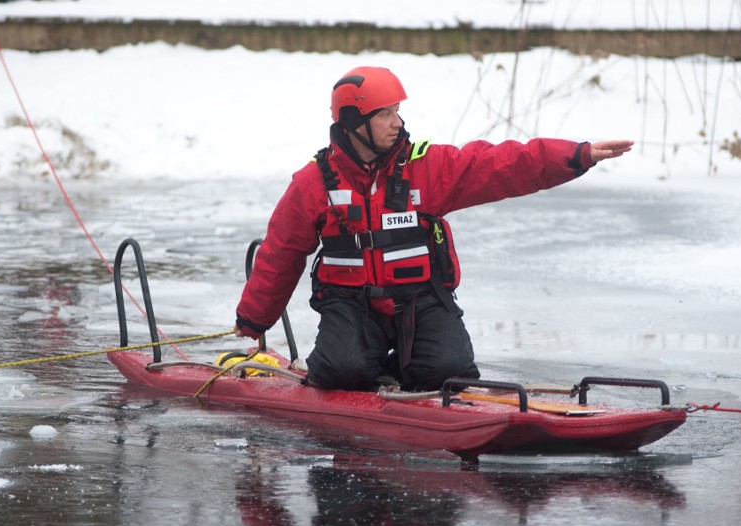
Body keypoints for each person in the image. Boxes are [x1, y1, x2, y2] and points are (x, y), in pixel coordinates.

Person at [234, 66, 632, 392]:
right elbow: (281, 252)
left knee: (449, 371)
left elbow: (500, 165)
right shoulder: (313, 183)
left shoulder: (425, 167)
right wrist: (254, 318)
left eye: (397, 111)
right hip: (350, 304)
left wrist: (575, 156)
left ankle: (397, 370)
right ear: (354, 122)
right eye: (385, 114)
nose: (398, 122)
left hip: (420, 300)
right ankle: (362, 366)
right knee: (342, 372)